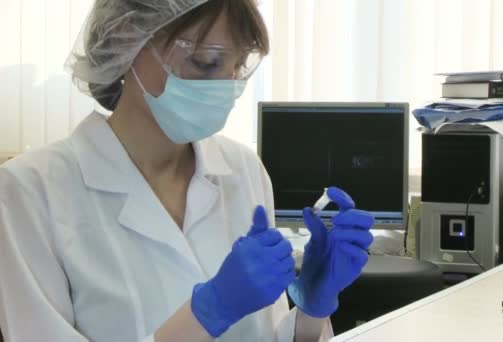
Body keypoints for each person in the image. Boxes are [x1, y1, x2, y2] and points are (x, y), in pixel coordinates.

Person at [0, 0, 374, 341]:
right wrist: (207, 312)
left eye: (237, 67)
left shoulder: (242, 169)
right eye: (206, 62)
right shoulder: (31, 191)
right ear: (124, 39)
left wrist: (311, 311)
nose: (224, 89)